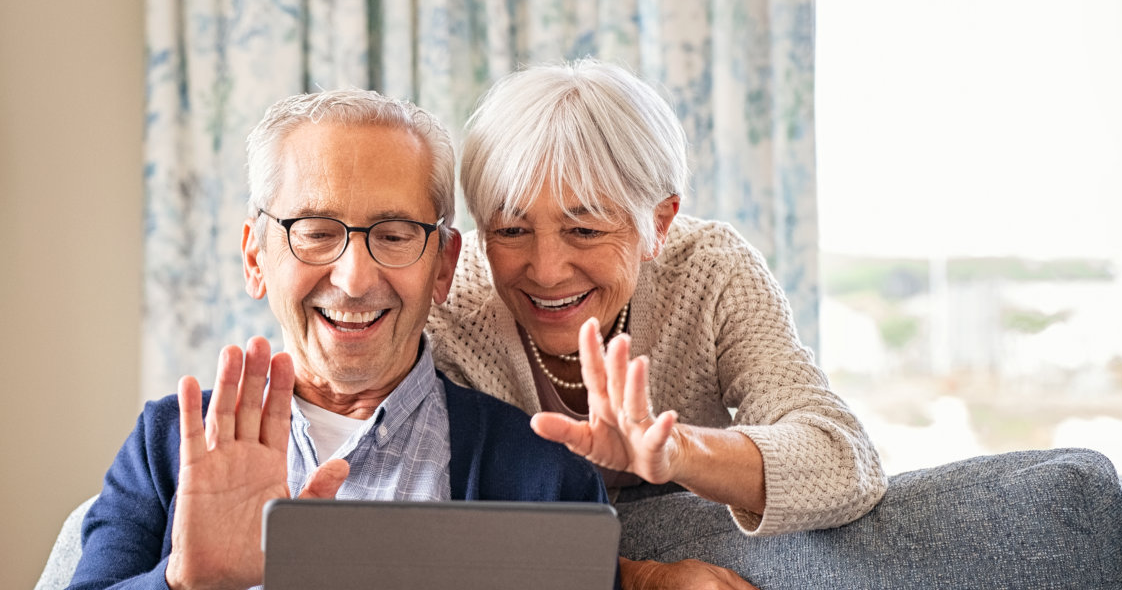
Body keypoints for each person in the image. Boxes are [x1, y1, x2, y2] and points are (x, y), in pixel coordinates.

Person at [67, 89, 607, 590]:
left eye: (394, 236)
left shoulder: (545, 472)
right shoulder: (165, 446)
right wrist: (181, 582)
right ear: (256, 257)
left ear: (442, 266)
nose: (353, 279)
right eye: (317, 233)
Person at [427, 59, 887, 537]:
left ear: (660, 223)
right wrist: (640, 576)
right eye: (511, 230)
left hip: (697, 529)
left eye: (584, 230)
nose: (546, 271)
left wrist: (676, 452)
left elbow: (844, 461)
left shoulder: (710, 270)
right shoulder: (451, 305)